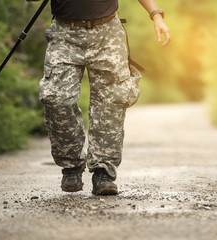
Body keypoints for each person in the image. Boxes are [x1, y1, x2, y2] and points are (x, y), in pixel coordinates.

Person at [33, 0, 170, 195]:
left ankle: (103, 172)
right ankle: (71, 166)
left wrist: (156, 15)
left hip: (107, 32)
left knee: (111, 102)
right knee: (56, 97)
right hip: (64, 33)